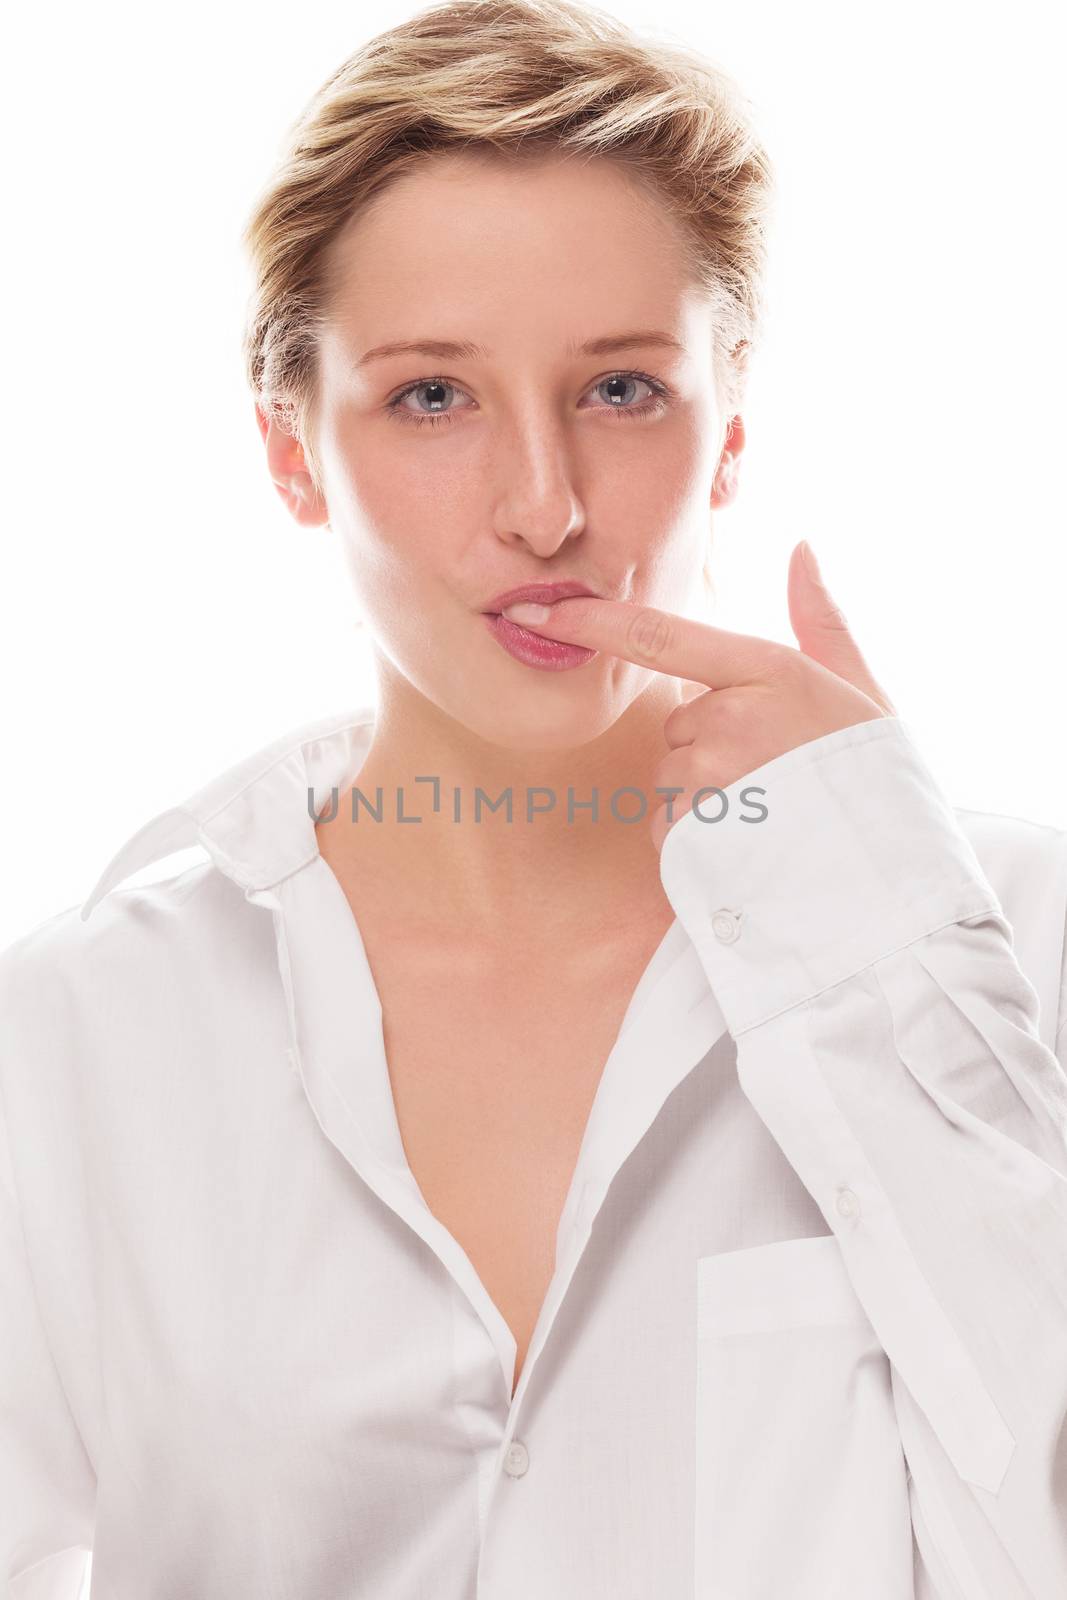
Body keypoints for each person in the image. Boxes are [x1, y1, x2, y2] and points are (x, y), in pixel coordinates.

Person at [3, 0, 1066, 1595]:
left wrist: (881, 956)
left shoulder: (1002, 944)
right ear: (293, 451)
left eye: (622, 391)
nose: (546, 508)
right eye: (432, 397)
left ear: (732, 429)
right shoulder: (86, 1035)